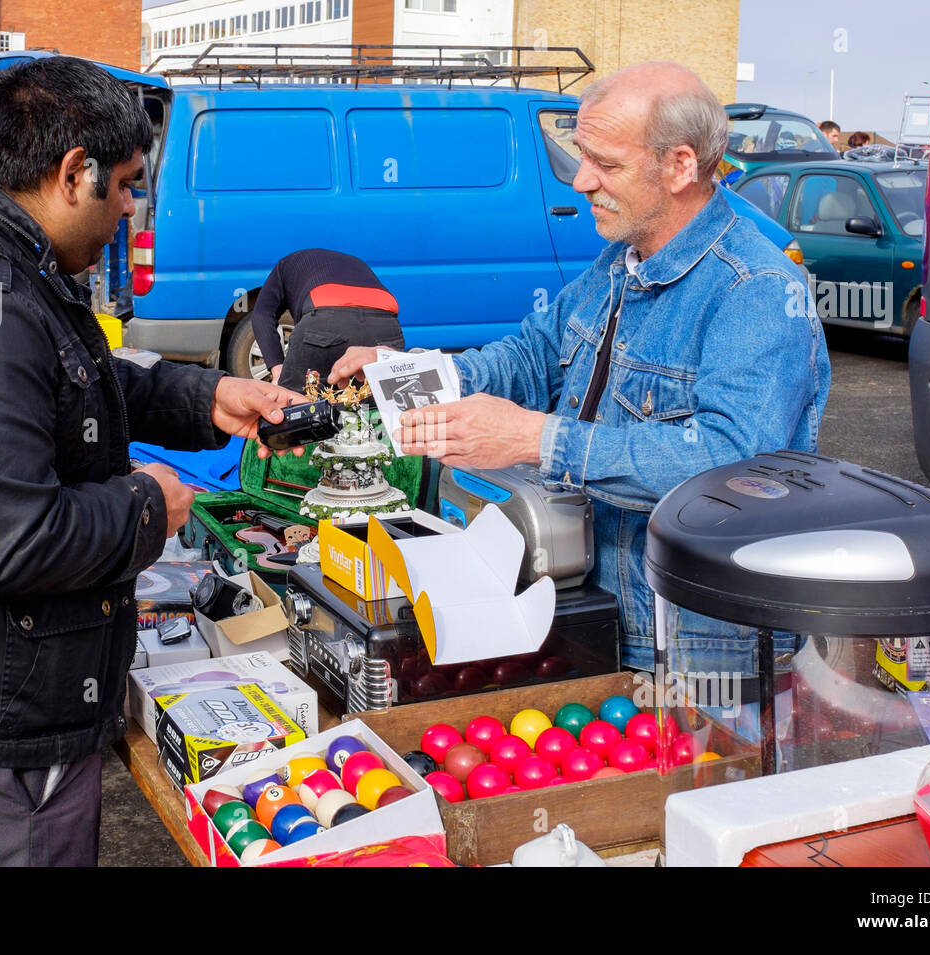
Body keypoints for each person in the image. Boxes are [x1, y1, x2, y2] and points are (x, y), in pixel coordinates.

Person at [0, 57, 302, 865]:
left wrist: (203, 400)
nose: (126, 209)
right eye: (122, 186)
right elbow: (9, 538)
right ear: (71, 173)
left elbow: (61, 384)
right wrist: (149, 508)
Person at [331, 62, 830, 677]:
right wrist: (416, 372)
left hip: (698, 652)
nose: (581, 180)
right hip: (602, 617)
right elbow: (534, 356)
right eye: (581, 156)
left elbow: (729, 466)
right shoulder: (622, 260)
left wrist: (532, 439)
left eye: (608, 165)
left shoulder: (755, 291)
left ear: (680, 166)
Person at [247, 248, 403, 390]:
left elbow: (262, 314)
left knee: (296, 406)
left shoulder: (284, 265)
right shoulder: (356, 262)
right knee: (372, 405)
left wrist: (277, 368)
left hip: (326, 319)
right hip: (385, 324)